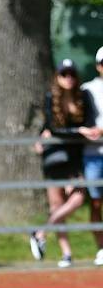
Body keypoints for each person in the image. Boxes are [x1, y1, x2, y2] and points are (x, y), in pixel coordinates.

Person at [29, 59, 96, 268]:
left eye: (72, 74)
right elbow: (52, 128)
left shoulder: (83, 96)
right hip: (54, 157)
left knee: (77, 198)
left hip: (74, 159)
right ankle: (66, 254)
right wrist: (77, 132)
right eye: (64, 74)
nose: (68, 78)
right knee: (56, 205)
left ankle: (41, 232)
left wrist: (80, 132)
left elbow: (87, 124)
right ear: (57, 76)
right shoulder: (51, 97)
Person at [80, 46, 103, 266]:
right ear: (98, 66)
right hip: (93, 154)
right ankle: (101, 248)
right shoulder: (87, 89)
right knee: (96, 202)